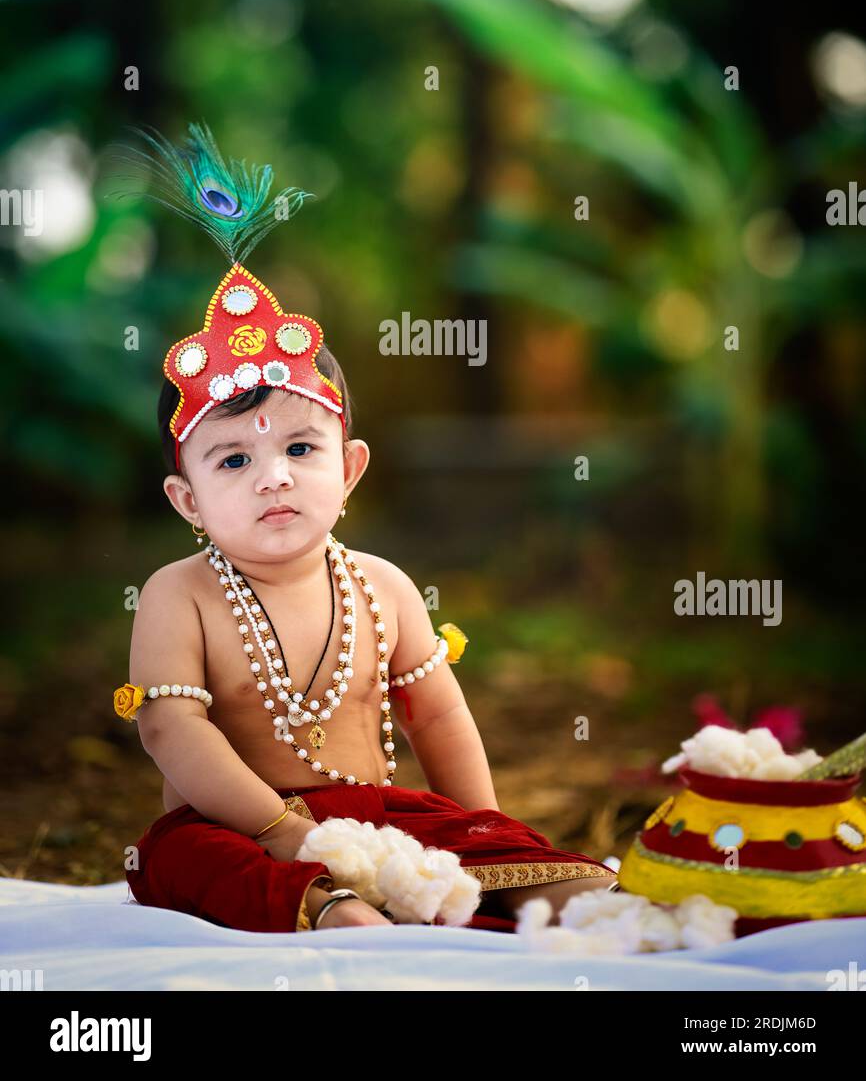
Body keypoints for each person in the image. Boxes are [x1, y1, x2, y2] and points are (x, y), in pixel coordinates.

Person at [112, 124, 618, 933]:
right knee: (186, 859)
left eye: (300, 447)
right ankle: (333, 910)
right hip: (238, 823)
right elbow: (171, 728)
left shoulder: (381, 587)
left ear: (348, 471)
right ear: (189, 503)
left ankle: (521, 893)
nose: (274, 474)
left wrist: (481, 840)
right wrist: (285, 833)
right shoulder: (183, 595)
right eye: (233, 462)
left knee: (548, 876)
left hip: (381, 815)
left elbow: (440, 718)